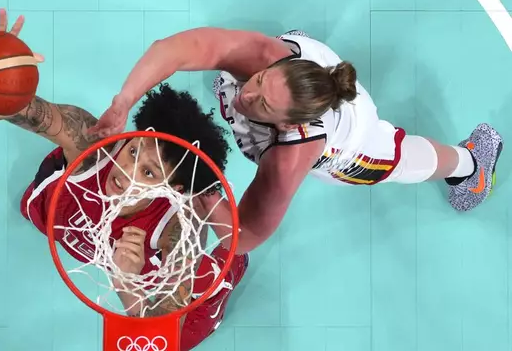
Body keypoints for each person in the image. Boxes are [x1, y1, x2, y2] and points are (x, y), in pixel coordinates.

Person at [89, 27, 504, 254]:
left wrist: (204, 193)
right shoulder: (263, 57)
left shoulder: (291, 157)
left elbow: (246, 236)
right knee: (241, 77)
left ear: (285, 124)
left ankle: (472, 163)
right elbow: (173, 48)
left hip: (354, 145)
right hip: (310, 76)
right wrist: (124, 100)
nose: (247, 93)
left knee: (399, 158)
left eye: (262, 104)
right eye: (259, 82)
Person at [0, 9, 249, 351]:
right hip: (71, 218)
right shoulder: (92, 147)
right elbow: (23, 110)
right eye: (133, 152)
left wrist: (125, 280)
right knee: (42, 211)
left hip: (137, 266)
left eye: (148, 172)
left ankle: (232, 269)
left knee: (188, 330)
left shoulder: (178, 231)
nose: (126, 171)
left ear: (173, 190)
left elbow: (150, 337)